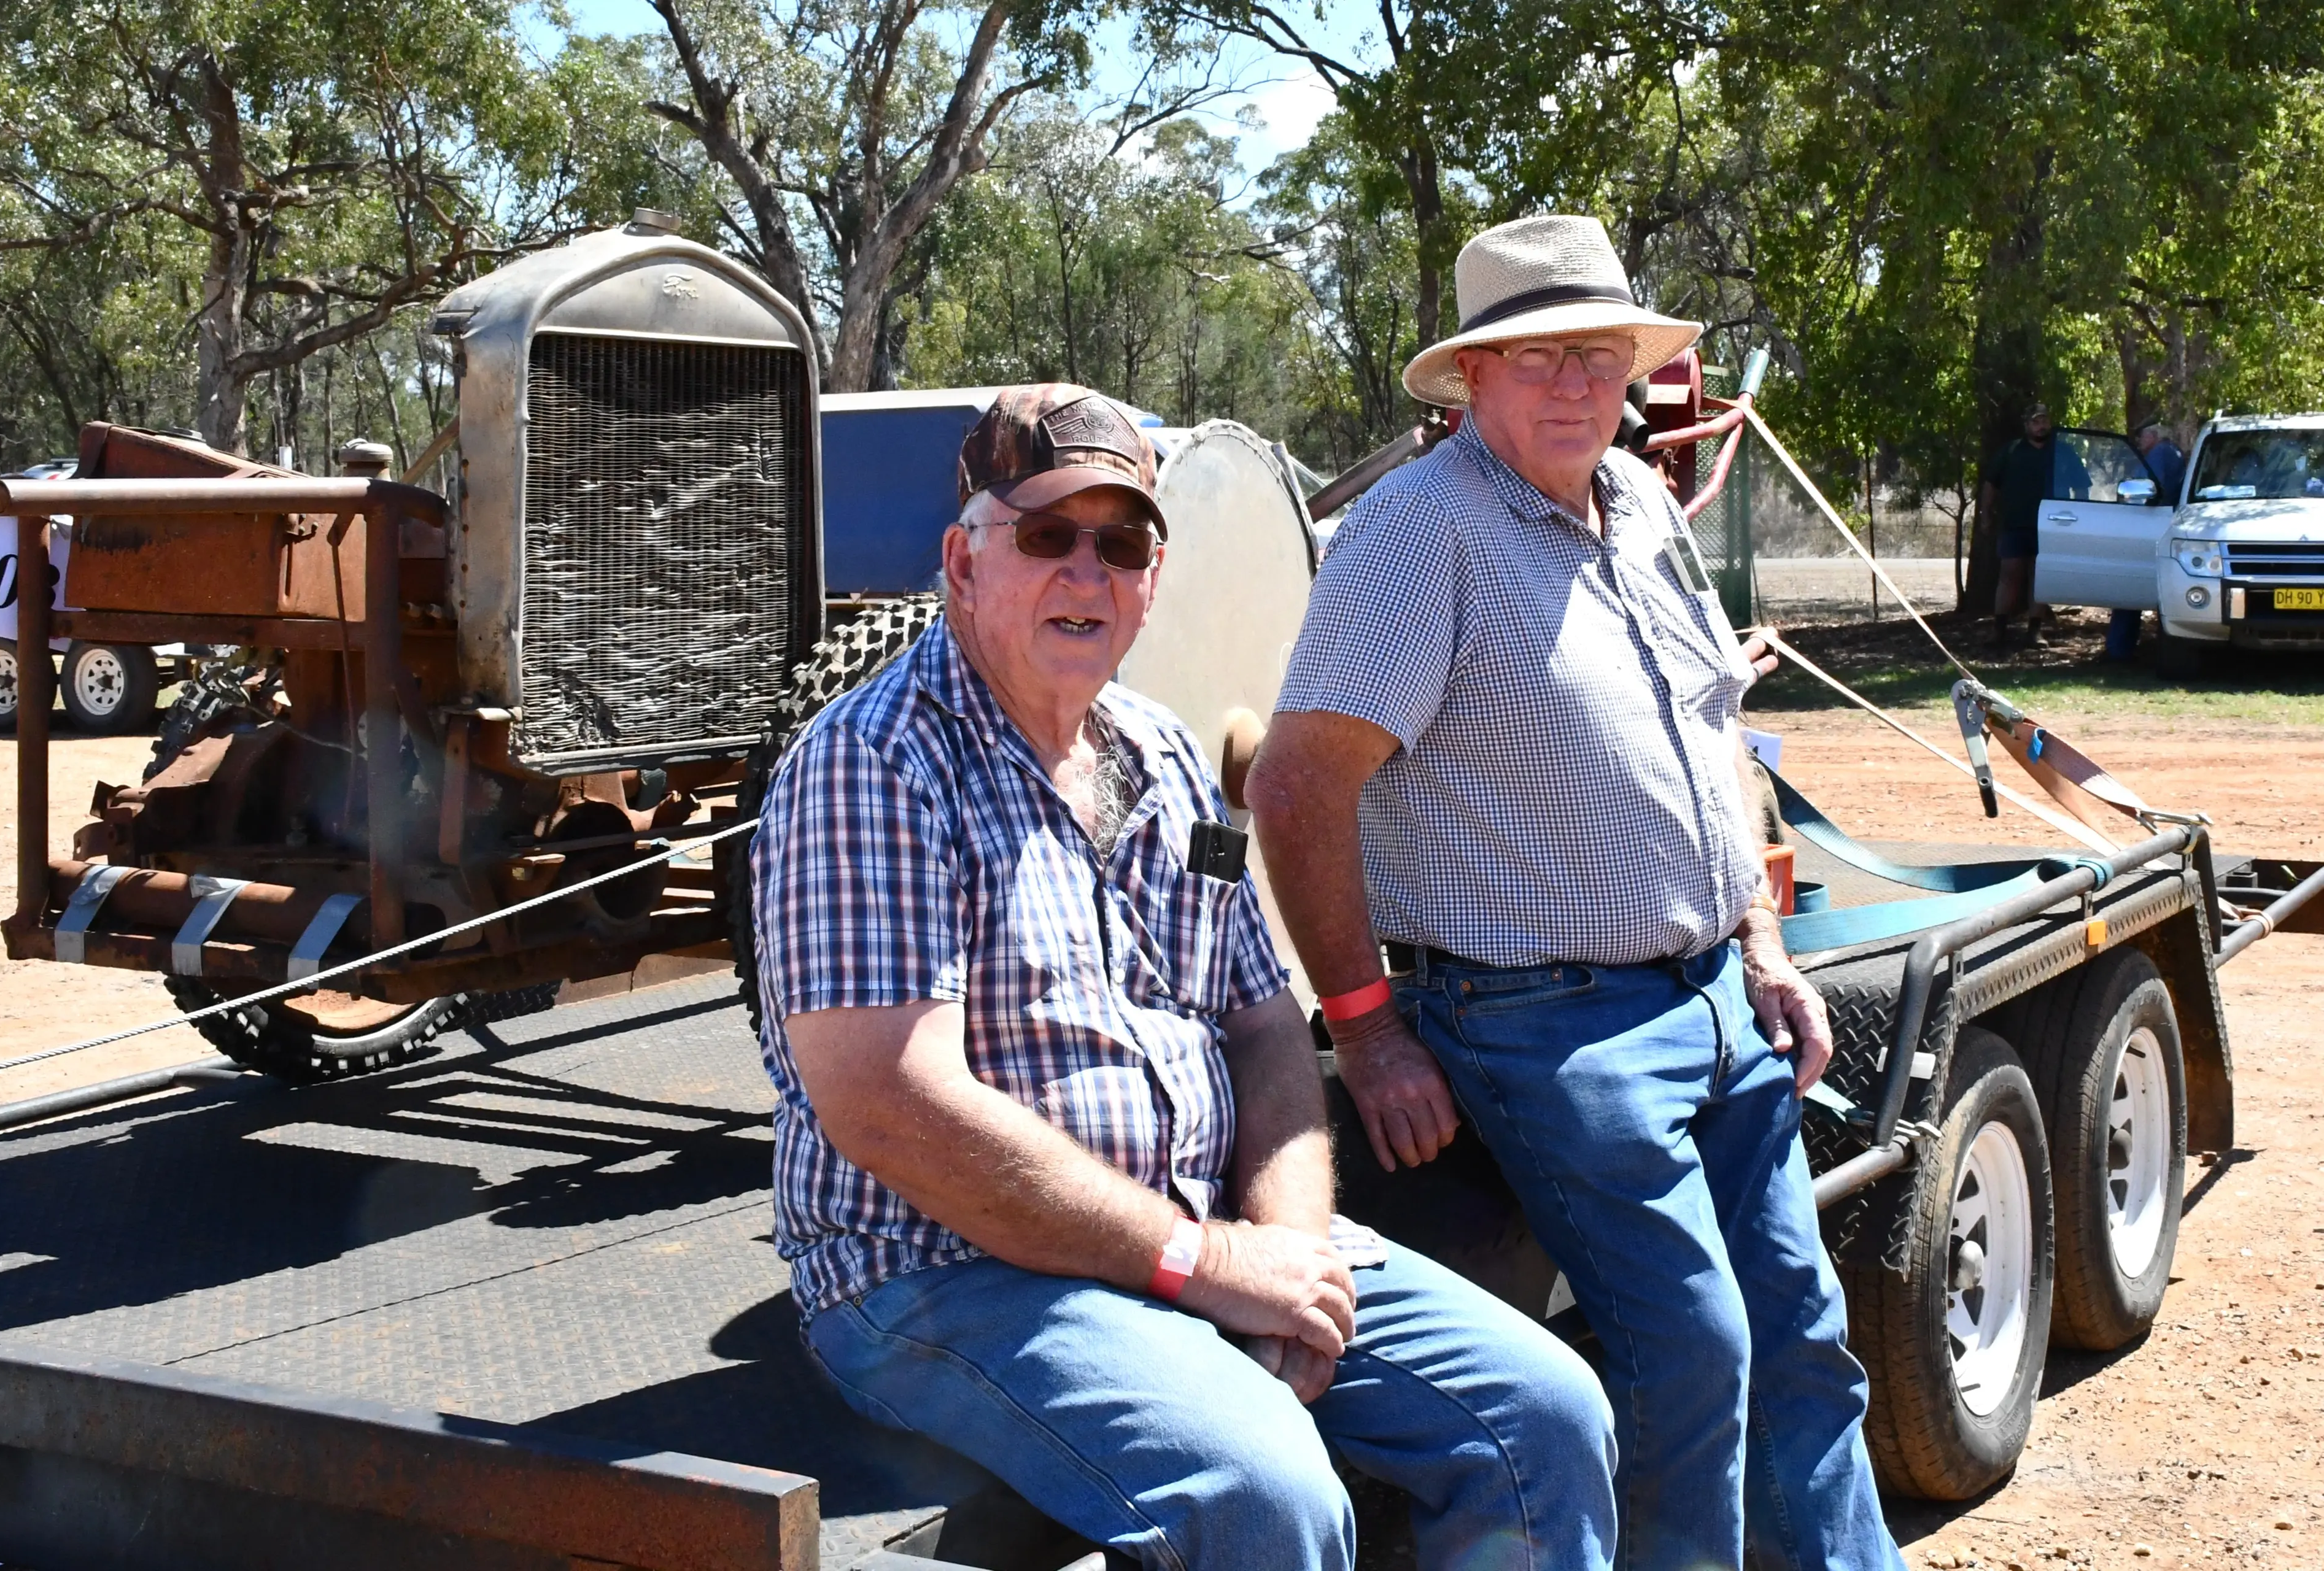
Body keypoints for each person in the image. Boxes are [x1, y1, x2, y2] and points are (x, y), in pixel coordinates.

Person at [746, 382, 1617, 1571]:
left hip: (1193, 1237)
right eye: (1047, 535)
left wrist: (1293, 1256)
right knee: (1270, 1496)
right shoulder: (869, 769)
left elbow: (1259, 1018)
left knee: (1550, 1418)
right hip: (943, 1276)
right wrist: (1206, 1265)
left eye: (1123, 543)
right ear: (962, 562)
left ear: (1155, 579)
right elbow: (892, 1109)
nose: (1087, 573)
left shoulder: (1159, 756)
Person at [1244, 215, 1906, 1571]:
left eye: (1598, 355)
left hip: (1719, 995)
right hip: (1544, 1021)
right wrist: (1366, 1030)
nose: (1572, 383)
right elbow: (1299, 788)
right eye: (1535, 356)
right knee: (1694, 1353)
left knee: (1802, 1330)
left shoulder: (1643, 501)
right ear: (1470, 380)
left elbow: (1714, 725)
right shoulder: (1417, 533)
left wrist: (1766, 939)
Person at [1981, 403, 2086, 645]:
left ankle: (2035, 631)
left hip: (2052, 527)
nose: (2041, 426)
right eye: (2036, 422)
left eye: (2045, 421)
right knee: (2009, 575)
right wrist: (1986, 514)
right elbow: (1990, 485)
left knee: (2039, 577)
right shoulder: (2011, 451)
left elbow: (2081, 487)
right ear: (2027, 425)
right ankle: (1998, 630)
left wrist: (2081, 517)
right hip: (2015, 524)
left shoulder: (2064, 452)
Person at [2109, 420, 2187, 660]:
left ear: (2153, 436)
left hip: (2150, 525)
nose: (2140, 442)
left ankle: (2118, 650)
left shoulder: (2159, 454)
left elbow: (2149, 490)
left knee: (2127, 585)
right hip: (2168, 524)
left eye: (2142, 436)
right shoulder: (2174, 453)